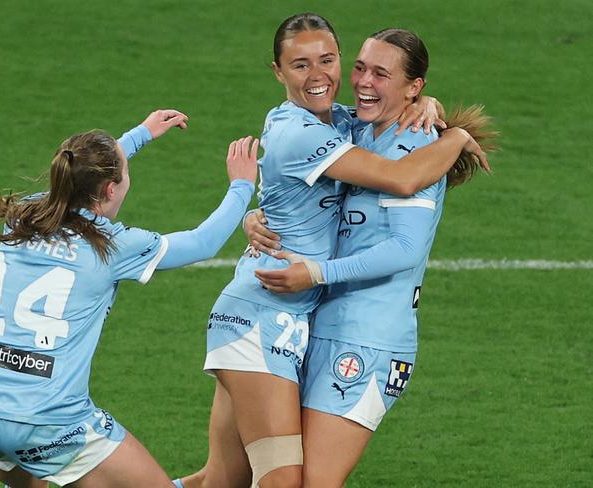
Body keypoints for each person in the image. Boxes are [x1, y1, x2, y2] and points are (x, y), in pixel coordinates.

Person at [176, 13, 490, 488]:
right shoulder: (346, 130)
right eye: (362, 68)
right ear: (278, 71)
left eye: (378, 73)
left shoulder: (413, 139)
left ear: (412, 87)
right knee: (236, 480)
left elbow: (405, 245)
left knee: (260, 482)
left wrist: (452, 131)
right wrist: (258, 216)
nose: (361, 82)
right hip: (286, 323)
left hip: (365, 338)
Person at [0, 108, 259, 488]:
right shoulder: (111, 246)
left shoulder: (23, 215)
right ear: (111, 190)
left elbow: (74, 179)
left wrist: (140, 135)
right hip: (49, 420)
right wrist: (242, 186)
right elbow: (203, 242)